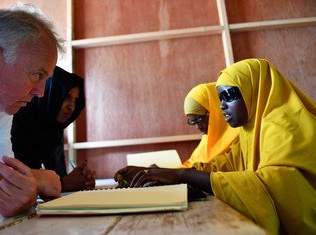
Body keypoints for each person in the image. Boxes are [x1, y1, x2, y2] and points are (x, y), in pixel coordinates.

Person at [115, 59, 316, 234]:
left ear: (253, 90)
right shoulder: (251, 129)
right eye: (220, 99)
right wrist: (160, 172)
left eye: (229, 96)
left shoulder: (285, 125)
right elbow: (223, 165)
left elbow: (275, 185)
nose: (221, 107)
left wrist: (183, 176)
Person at [0, 5, 63, 216]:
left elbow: (4, 180)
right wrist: (36, 179)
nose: (41, 93)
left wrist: (21, 190)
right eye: (37, 75)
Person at [11, 66, 96, 192]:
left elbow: (57, 177)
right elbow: (13, 182)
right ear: (51, 93)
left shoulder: (53, 130)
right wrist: (64, 184)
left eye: (75, 100)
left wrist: (80, 179)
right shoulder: (16, 120)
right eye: (67, 97)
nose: (71, 106)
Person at [181, 82, 239, 171]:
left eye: (199, 120)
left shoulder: (238, 137)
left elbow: (217, 168)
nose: (198, 127)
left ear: (215, 111)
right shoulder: (209, 138)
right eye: (193, 122)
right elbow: (191, 163)